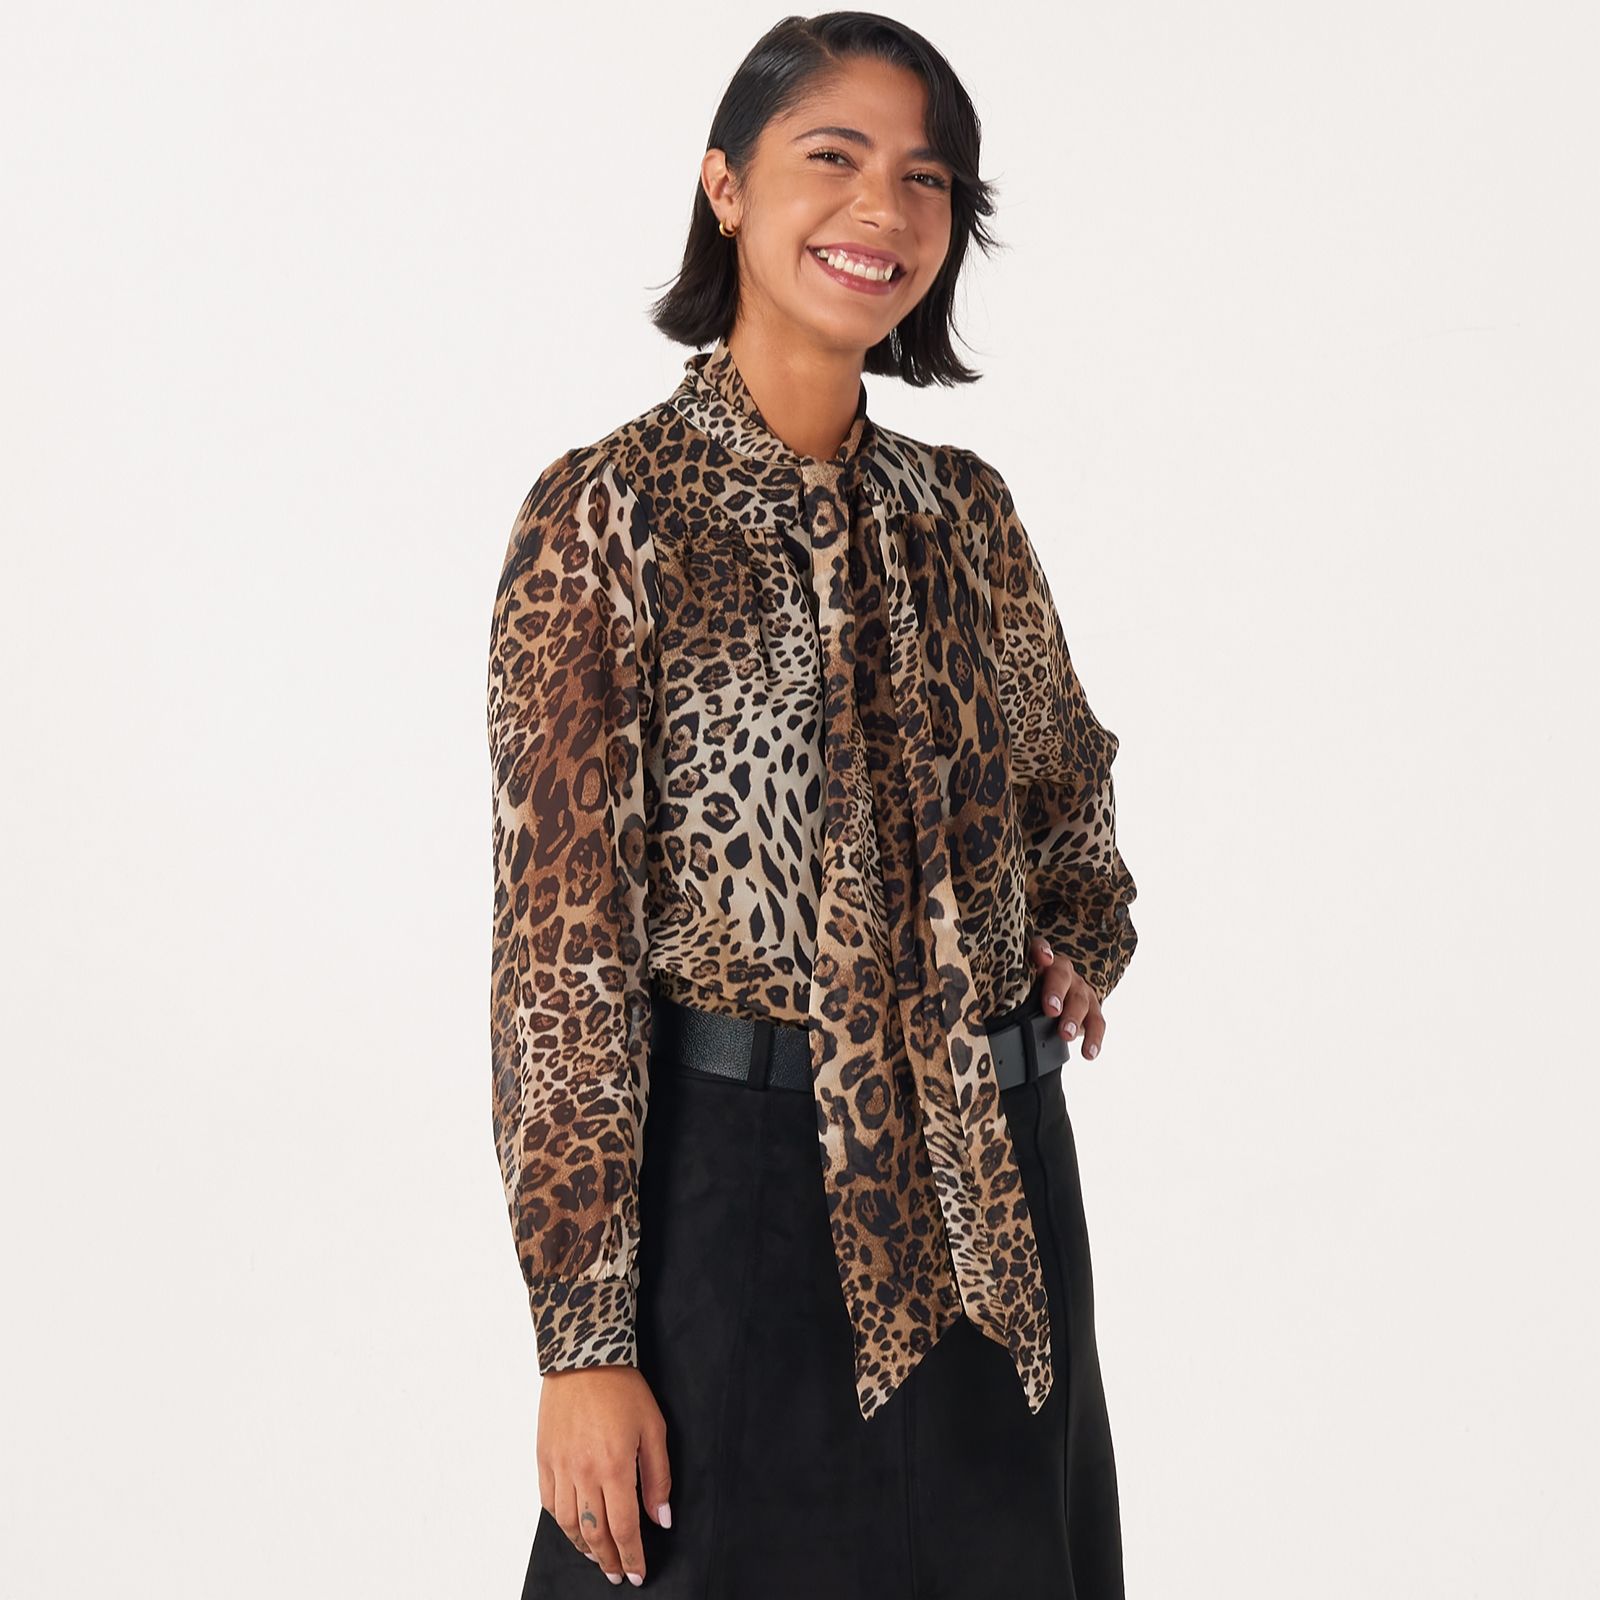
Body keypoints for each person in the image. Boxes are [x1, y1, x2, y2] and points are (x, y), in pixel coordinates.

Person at [486, 14, 1140, 1597]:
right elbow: (560, 955)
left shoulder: (966, 514)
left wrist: (1076, 937)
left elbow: (1068, 786)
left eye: (927, 180)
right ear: (726, 186)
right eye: (831, 158)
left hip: (995, 1197)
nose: (882, 210)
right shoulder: (611, 515)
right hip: (737, 1195)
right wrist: (582, 1341)